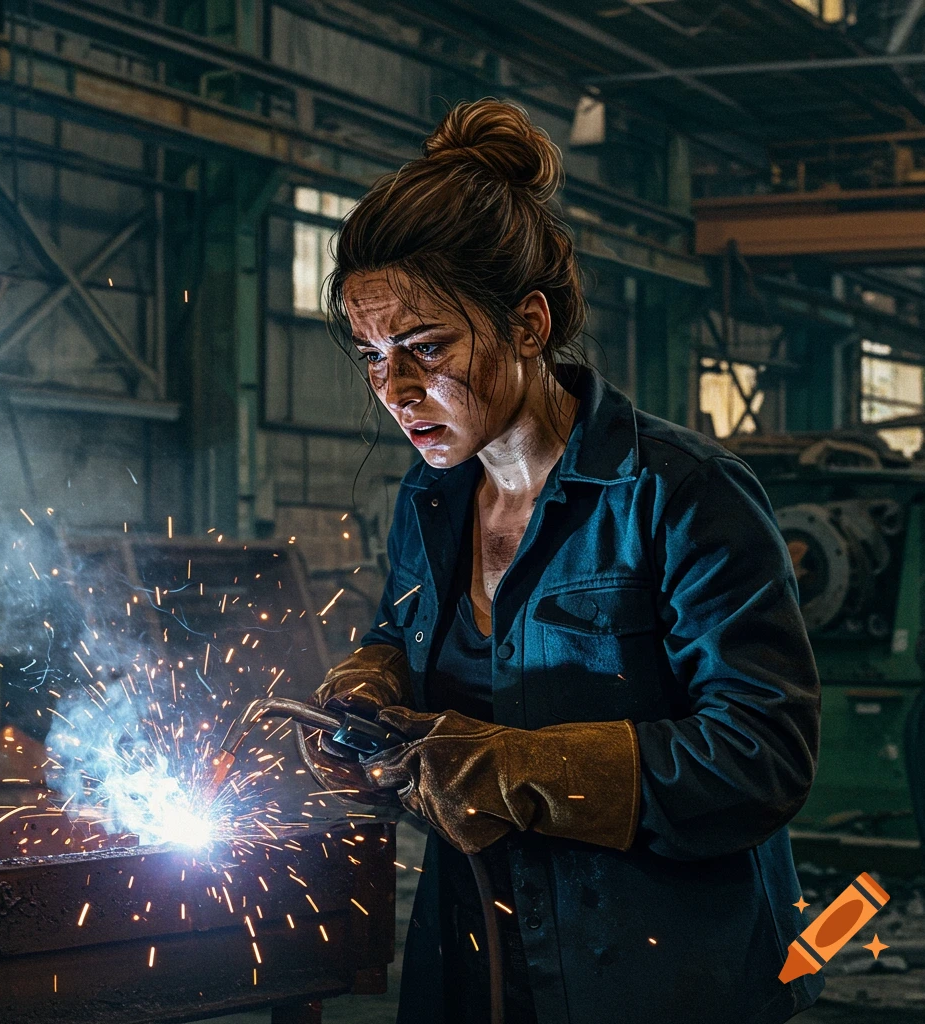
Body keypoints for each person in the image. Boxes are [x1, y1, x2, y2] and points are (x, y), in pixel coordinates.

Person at [301, 98, 824, 1024]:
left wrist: (521, 771)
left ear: (530, 325)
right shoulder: (431, 501)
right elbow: (408, 625)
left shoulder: (681, 494)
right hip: (476, 957)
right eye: (374, 356)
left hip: (655, 973)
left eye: (427, 348)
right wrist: (376, 676)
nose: (396, 391)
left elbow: (761, 756)